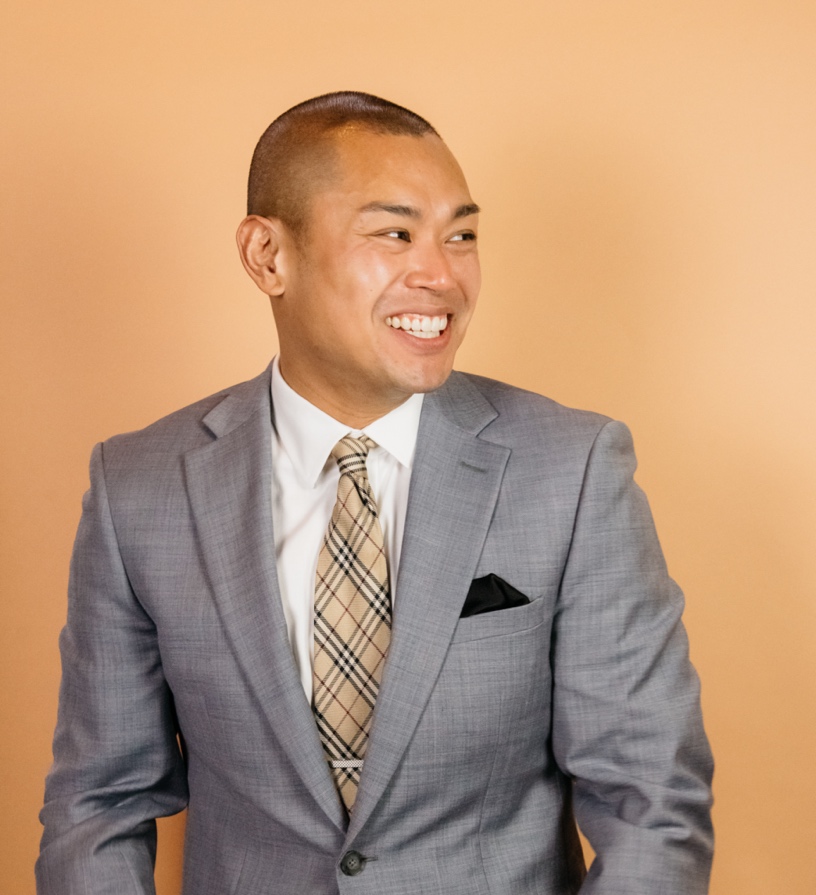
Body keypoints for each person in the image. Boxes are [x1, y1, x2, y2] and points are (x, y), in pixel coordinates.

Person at [36, 91, 714, 894]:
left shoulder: (572, 470)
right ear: (267, 255)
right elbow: (99, 804)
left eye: (461, 235)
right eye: (395, 233)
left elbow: (651, 804)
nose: (441, 275)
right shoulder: (139, 488)